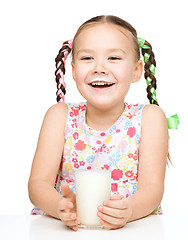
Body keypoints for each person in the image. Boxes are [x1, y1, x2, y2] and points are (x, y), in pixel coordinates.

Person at [28, 15, 169, 231]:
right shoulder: (59, 116)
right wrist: (60, 206)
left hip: (133, 231)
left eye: (113, 58)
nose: (99, 68)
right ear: (73, 71)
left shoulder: (150, 117)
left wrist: (128, 210)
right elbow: (38, 185)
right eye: (87, 59)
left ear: (136, 70)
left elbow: (152, 189)